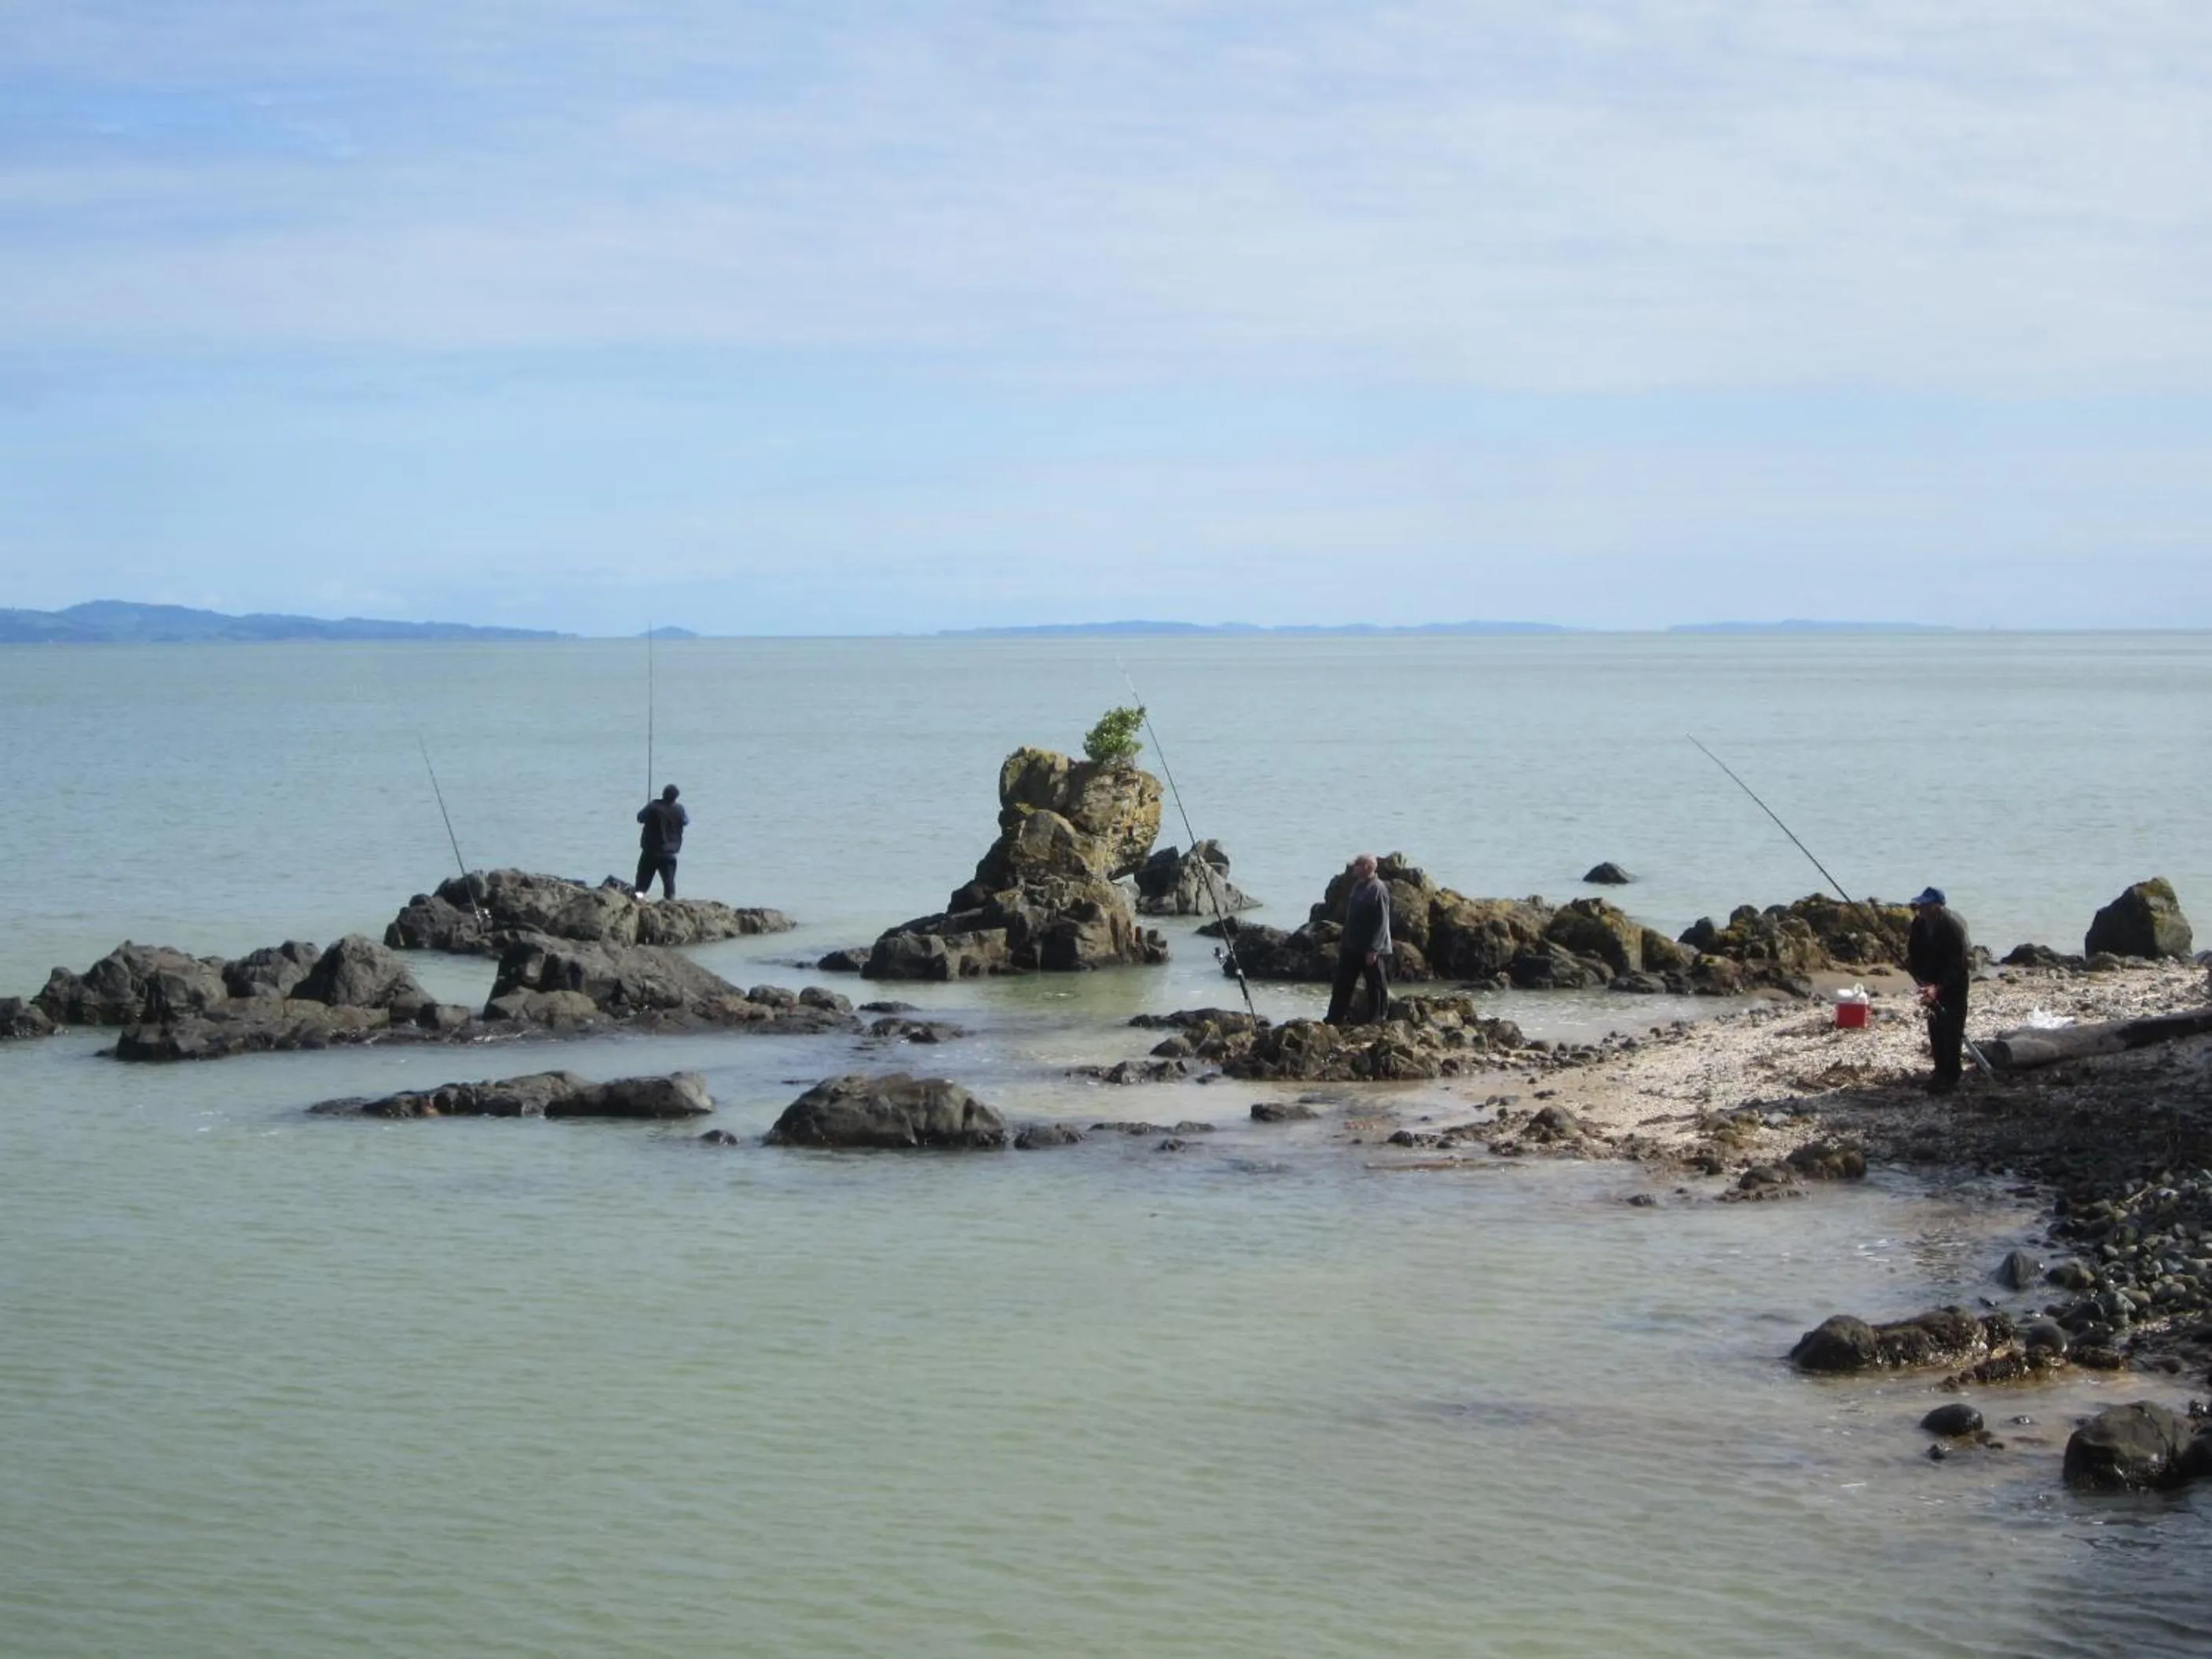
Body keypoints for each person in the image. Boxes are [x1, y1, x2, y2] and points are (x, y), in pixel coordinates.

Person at [1905, 885, 1971, 1093]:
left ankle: (1952, 1076)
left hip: (1953, 984)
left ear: (1937, 906)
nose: (1921, 909)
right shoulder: (1919, 924)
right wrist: (1923, 981)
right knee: (1935, 1026)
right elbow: (1914, 952)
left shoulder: (1952, 926)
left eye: (1925, 905)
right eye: (1920, 905)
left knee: (1952, 1028)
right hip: (1930, 981)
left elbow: (1956, 963)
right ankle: (1939, 1070)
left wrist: (1939, 987)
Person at [1324, 853, 1392, 1026]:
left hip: (1370, 949)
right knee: (1342, 984)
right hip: (1351, 946)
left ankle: (1378, 1019)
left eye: (1357, 865)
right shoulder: (1357, 886)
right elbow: (1350, 918)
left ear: (1368, 867)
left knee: (1376, 987)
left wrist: (1374, 949)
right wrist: (1343, 941)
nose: (1354, 868)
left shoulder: (1378, 889)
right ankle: (1334, 1019)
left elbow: (1382, 923)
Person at [635, 784, 688, 900]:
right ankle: (670, 902)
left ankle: (638, 900)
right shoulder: (680, 809)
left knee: (642, 883)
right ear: (676, 797)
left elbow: (640, 818)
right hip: (670, 853)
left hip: (651, 852)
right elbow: (685, 822)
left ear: (663, 794)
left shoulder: (654, 806)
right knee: (669, 883)